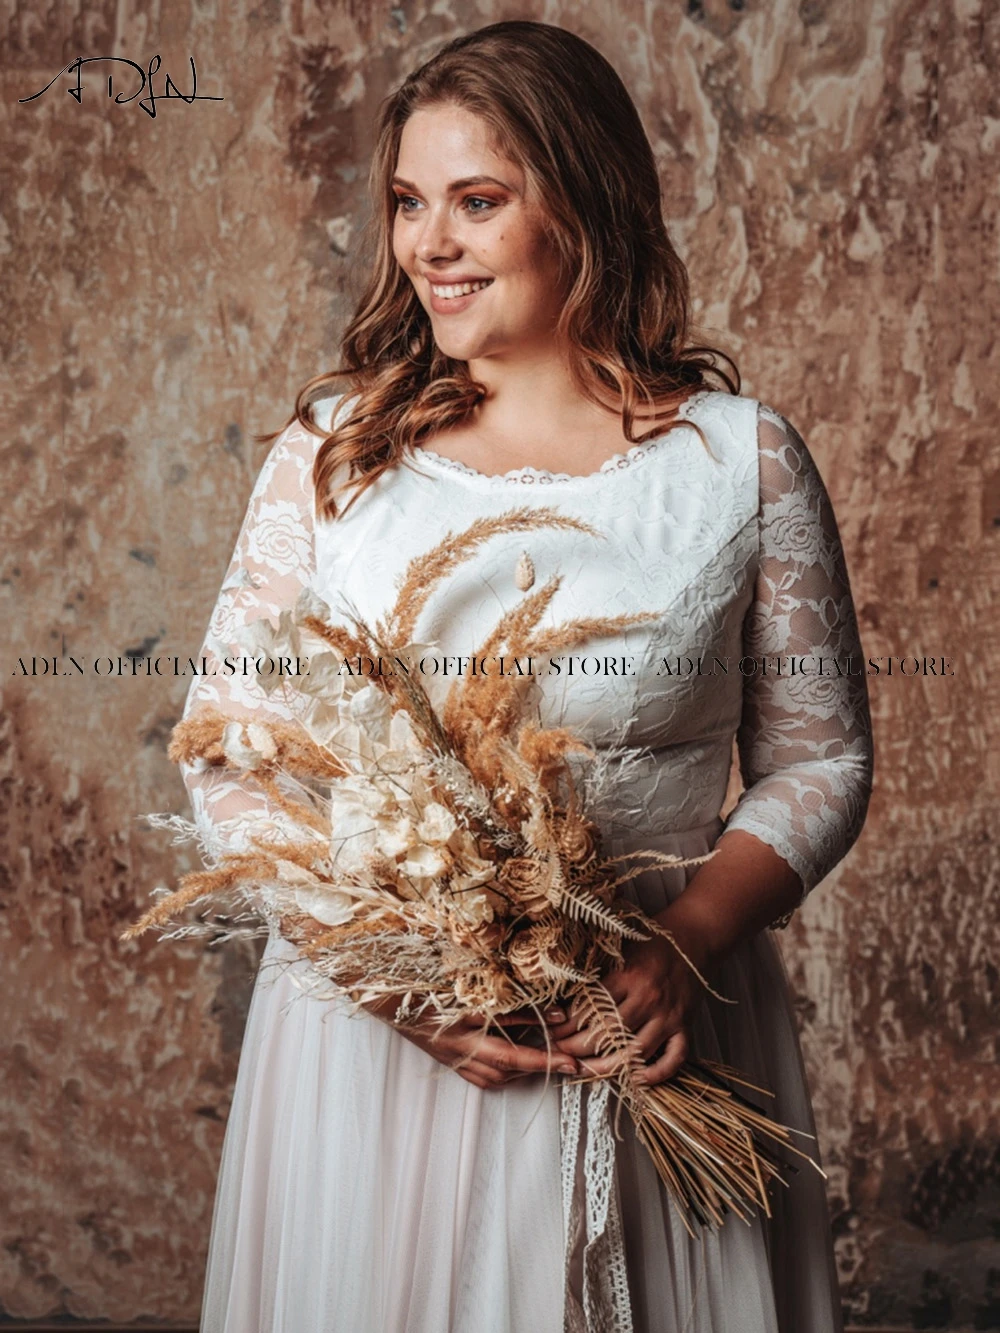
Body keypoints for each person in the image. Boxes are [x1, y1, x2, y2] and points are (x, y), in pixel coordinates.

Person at [179, 20, 874, 1333]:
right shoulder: (336, 454)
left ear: (588, 206)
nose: (429, 244)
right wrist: (389, 979)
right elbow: (231, 744)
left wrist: (690, 937)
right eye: (407, 203)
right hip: (380, 1049)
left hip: (651, 1021)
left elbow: (823, 756)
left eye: (478, 203)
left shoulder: (742, 461)